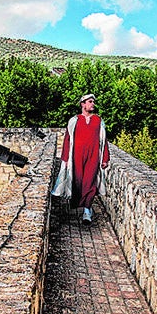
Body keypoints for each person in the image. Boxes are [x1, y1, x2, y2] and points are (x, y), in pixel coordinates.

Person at [58, 93, 109, 225]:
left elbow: (104, 141)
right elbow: (67, 139)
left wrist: (105, 158)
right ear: (83, 104)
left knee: (90, 182)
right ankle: (80, 206)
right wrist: (65, 158)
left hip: (93, 157)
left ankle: (87, 211)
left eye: (93, 102)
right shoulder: (74, 120)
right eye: (90, 102)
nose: (92, 104)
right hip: (76, 157)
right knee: (78, 181)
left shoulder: (98, 120)